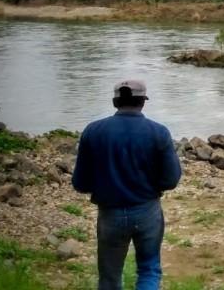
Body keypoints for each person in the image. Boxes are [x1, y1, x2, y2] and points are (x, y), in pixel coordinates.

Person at [73, 80, 181, 290]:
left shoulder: (93, 131)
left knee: (109, 276)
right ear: (142, 101)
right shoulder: (159, 132)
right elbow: (171, 180)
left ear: (115, 101)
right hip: (147, 210)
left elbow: (80, 183)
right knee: (149, 269)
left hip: (109, 214)